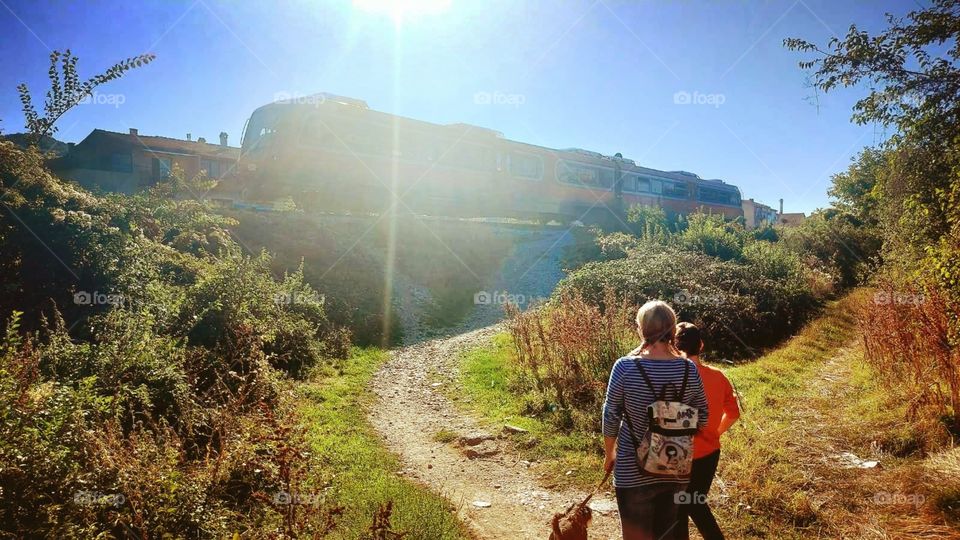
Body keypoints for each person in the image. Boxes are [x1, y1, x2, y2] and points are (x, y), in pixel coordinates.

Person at [602, 301, 709, 539]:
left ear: (641, 329)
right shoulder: (688, 369)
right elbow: (703, 418)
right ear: (673, 330)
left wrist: (610, 453)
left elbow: (611, 415)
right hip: (675, 469)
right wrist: (674, 422)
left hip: (632, 470)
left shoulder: (625, 367)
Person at [673, 322, 740, 540]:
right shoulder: (718, 377)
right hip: (709, 454)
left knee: (679, 507)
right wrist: (716, 432)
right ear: (701, 345)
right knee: (695, 503)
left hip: (675, 454)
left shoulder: (670, 378)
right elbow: (733, 414)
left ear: (674, 347)